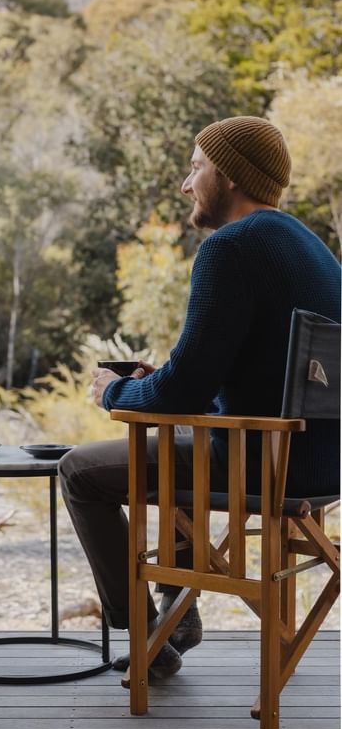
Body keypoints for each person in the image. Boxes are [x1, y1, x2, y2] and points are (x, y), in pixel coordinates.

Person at [59, 115, 341, 677]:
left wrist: (115, 390)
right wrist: (155, 382)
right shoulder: (312, 249)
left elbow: (181, 391)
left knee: (79, 471)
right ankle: (177, 613)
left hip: (260, 463)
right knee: (179, 439)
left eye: (196, 168)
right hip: (320, 465)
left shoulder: (230, 248)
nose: (187, 184)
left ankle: (148, 631)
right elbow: (227, 377)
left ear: (231, 176)